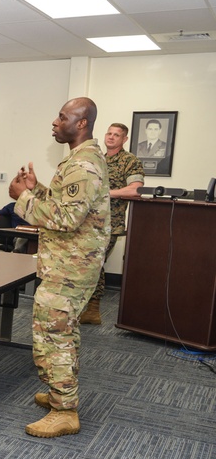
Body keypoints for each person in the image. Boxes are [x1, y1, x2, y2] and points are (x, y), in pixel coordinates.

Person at [9, 97, 109, 439]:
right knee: (63, 332)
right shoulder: (81, 159)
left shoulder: (83, 164)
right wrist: (37, 189)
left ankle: (65, 411)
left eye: (62, 117)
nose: (55, 121)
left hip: (71, 267)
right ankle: (59, 392)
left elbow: (66, 219)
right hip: (70, 264)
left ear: (81, 123)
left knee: (54, 335)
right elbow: (67, 203)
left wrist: (22, 198)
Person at [80, 122, 144, 324]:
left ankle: (93, 308)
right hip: (85, 220)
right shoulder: (98, 158)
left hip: (109, 223)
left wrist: (105, 195)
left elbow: (135, 190)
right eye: (109, 133)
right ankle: (84, 308)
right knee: (87, 263)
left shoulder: (129, 161)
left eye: (117, 135)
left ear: (124, 139)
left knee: (95, 262)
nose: (111, 137)